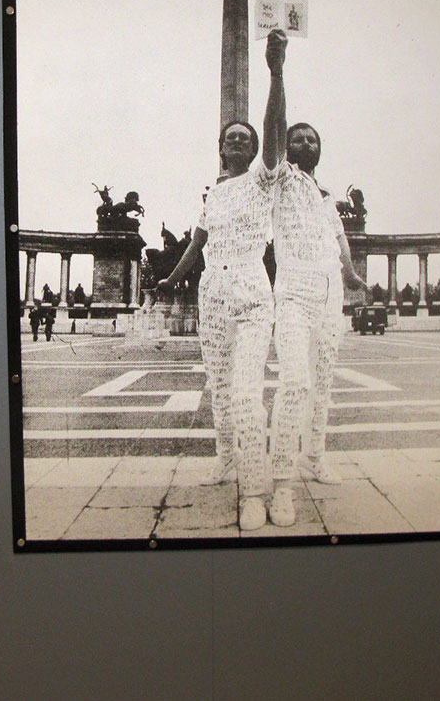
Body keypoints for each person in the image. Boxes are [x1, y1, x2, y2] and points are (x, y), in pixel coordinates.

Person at [157, 64, 280, 532]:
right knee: (222, 389)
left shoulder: (263, 180)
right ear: (221, 147)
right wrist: (171, 279)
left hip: (251, 291)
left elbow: (273, 133)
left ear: (255, 150)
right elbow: (197, 244)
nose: (238, 144)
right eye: (231, 138)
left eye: (245, 140)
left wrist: (276, 72)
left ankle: (254, 490)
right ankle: (226, 460)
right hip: (213, 295)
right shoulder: (214, 194)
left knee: (249, 393)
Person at [262, 30, 368, 527]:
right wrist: (277, 73)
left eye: (313, 138)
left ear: (322, 150)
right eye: (298, 137)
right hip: (295, 294)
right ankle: (281, 483)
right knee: (295, 384)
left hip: (330, 297)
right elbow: (275, 125)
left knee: (323, 383)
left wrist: (351, 276)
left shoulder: (327, 198)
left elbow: (340, 242)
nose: (305, 141)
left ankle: (314, 456)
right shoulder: (280, 176)